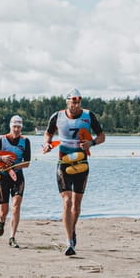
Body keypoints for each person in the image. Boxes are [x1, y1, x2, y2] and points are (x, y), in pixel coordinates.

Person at [45, 92, 105, 258]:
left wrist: (91, 142)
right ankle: (69, 241)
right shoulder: (57, 116)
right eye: (73, 102)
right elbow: (48, 134)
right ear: (67, 102)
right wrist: (47, 144)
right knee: (66, 201)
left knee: (76, 205)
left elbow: (102, 136)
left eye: (78, 102)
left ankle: (72, 229)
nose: (76, 105)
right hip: (63, 163)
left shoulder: (88, 116)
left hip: (82, 164)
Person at [0, 115, 31, 247]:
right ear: (10, 127)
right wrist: (2, 159)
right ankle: (1, 222)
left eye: (19, 127)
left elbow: (27, 163)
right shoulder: (2, 140)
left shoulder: (25, 141)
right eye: (14, 127)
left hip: (18, 177)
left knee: (16, 206)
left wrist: (14, 166)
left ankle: (12, 237)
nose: (17, 129)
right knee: (4, 211)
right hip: (3, 177)